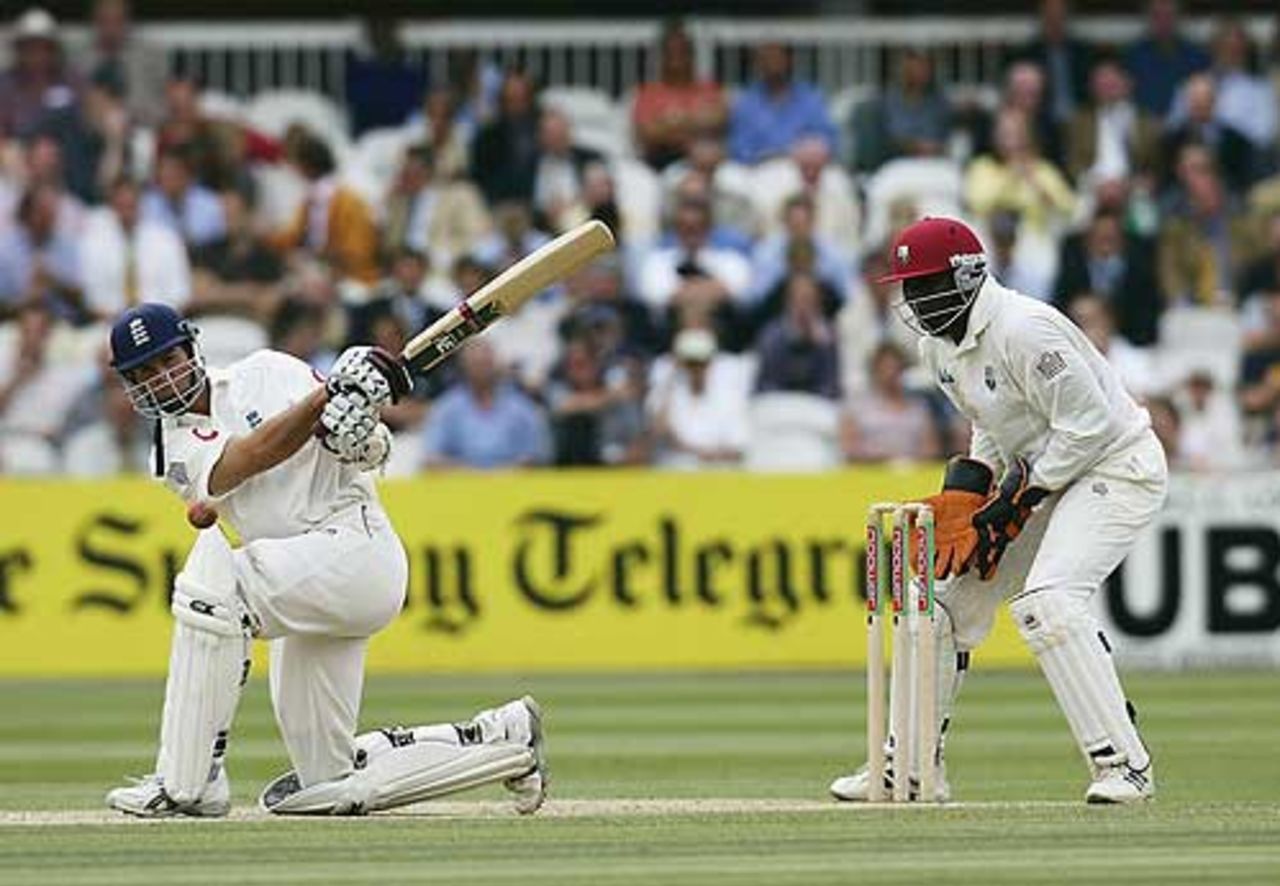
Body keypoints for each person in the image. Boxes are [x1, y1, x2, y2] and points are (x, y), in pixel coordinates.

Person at [102, 302, 547, 817]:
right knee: (327, 783)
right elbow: (249, 458)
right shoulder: (171, 449)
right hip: (304, 581)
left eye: (168, 360)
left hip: (356, 552)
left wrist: (359, 429)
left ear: (190, 349)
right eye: (145, 374)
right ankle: (504, 741)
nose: (162, 379)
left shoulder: (266, 371)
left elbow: (371, 449)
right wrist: (330, 395)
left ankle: (187, 784)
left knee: (215, 587)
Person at [829, 216, 1167, 804]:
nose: (915, 299)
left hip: (1117, 465)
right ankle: (909, 772)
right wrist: (973, 494)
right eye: (908, 287)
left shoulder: (1026, 329)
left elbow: (1092, 427)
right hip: (1041, 474)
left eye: (926, 284)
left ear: (967, 277)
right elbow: (989, 427)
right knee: (933, 607)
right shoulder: (935, 348)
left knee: (1048, 602)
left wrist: (1018, 499)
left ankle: (1124, 766)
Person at [631, 21, 727, 169]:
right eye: (671, 52)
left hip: (706, 162)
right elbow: (646, 134)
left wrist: (672, 121)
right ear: (662, 57)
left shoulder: (708, 88)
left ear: (691, 55)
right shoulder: (648, 92)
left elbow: (719, 121)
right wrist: (696, 120)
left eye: (682, 52)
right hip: (661, 160)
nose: (677, 58)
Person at [727, 43, 838, 166]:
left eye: (776, 58)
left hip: (803, 168)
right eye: (766, 59)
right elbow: (739, 146)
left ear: (788, 61)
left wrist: (799, 153)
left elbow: (825, 138)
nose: (772, 64)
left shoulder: (810, 98)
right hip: (758, 169)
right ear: (758, 64)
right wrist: (761, 157)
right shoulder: (746, 102)